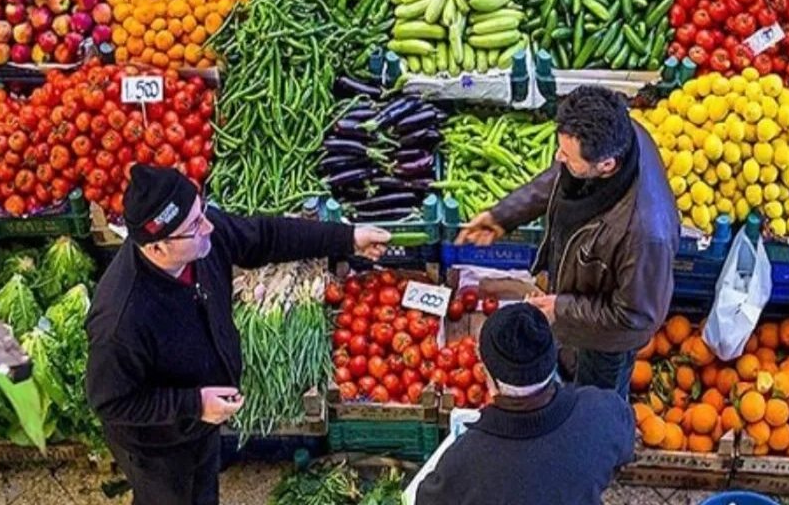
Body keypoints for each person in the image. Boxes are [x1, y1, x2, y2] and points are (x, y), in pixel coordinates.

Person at [85, 164, 390, 505]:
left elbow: (265, 236)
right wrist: (195, 403)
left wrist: (347, 238)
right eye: (195, 226)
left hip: (201, 422)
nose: (209, 227)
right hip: (158, 446)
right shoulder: (120, 320)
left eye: (202, 213)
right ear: (157, 248)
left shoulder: (200, 241)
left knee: (204, 489)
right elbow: (110, 401)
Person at [457, 85, 680, 397]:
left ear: (606, 165)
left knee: (597, 397)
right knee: (573, 357)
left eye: (568, 155)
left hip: (608, 340)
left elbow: (635, 317)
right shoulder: (620, 134)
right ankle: (571, 363)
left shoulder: (644, 235)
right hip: (583, 295)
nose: (558, 157)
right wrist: (503, 216)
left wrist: (561, 308)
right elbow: (562, 176)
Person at [414, 303, 635, 505]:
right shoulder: (605, 412)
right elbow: (623, 452)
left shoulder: (463, 463)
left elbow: (425, 499)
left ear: (488, 375)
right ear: (551, 360)